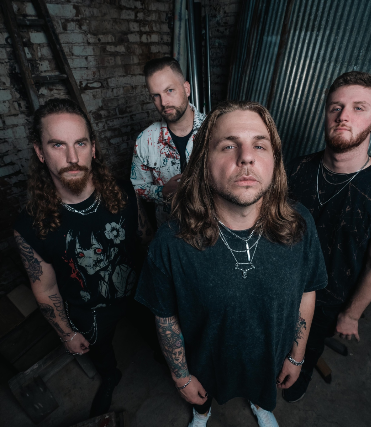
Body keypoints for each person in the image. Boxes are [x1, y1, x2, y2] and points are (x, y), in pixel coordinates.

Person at [135, 100, 328, 426]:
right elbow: (165, 317)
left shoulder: (300, 224)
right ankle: (202, 413)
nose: (246, 157)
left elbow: (307, 291)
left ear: (274, 160)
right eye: (228, 145)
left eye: (259, 145)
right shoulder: (171, 242)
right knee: (201, 394)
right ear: (204, 162)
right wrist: (181, 377)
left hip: (269, 359)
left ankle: (260, 404)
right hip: (205, 362)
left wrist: (297, 356)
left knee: (263, 387)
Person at [283, 71, 371, 403]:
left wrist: (351, 315)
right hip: (276, 286)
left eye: (358, 108)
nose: (343, 116)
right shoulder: (294, 169)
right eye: (335, 107)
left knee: (293, 379)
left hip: (327, 303)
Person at [14, 98, 141, 417]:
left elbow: (142, 239)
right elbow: (45, 289)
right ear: (40, 152)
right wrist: (67, 334)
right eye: (58, 145)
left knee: (153, 334)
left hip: (139, 291)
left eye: (80, 143)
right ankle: (110, 377)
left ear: (93, 148)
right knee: (101, 353)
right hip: (90, 312)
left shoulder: (124, 191)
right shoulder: (30, 225)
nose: (72, 158)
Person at [131, 56, 206, 227]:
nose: (164, 102)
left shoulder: (214, 130)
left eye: (169, 90)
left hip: (212, 229)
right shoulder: (145, 140)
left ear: (186, 89)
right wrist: (161, 192)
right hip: (170, 229)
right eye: (156, 96)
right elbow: (137, 186)